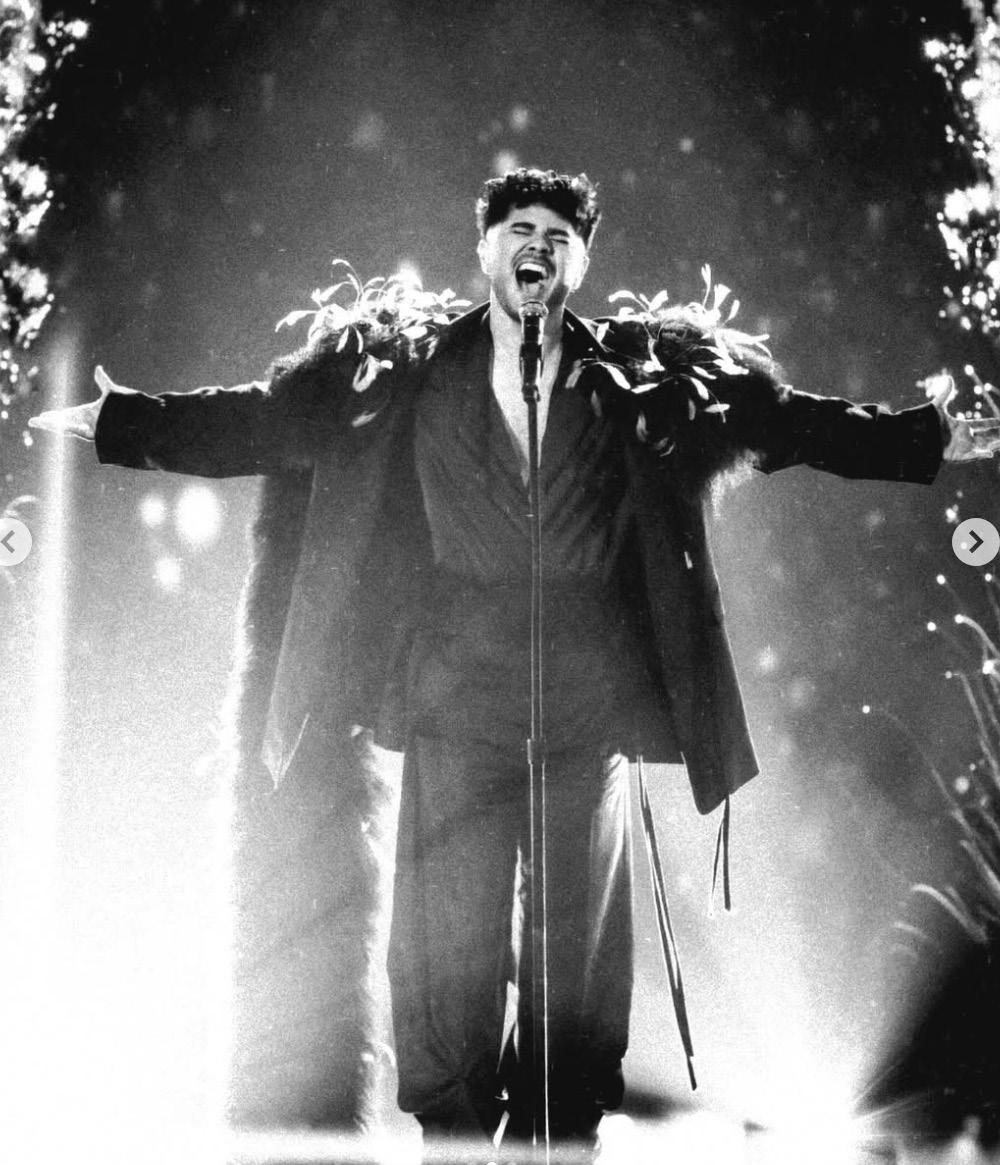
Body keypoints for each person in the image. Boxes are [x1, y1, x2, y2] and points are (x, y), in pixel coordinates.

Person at [30, 168, 1000, 1163]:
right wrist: (125, 423)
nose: (537, 244)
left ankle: (563, 1134)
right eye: (518, 228)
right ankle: (452, 1136)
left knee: (574, 956)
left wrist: (920, 438)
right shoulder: (402, 370)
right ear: (486, 249)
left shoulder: (640, 377)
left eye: (558, 234)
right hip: (455, 695)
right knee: (446, 944)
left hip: (586, 704)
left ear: (581, 261)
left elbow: (783, 421)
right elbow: (264, 418)